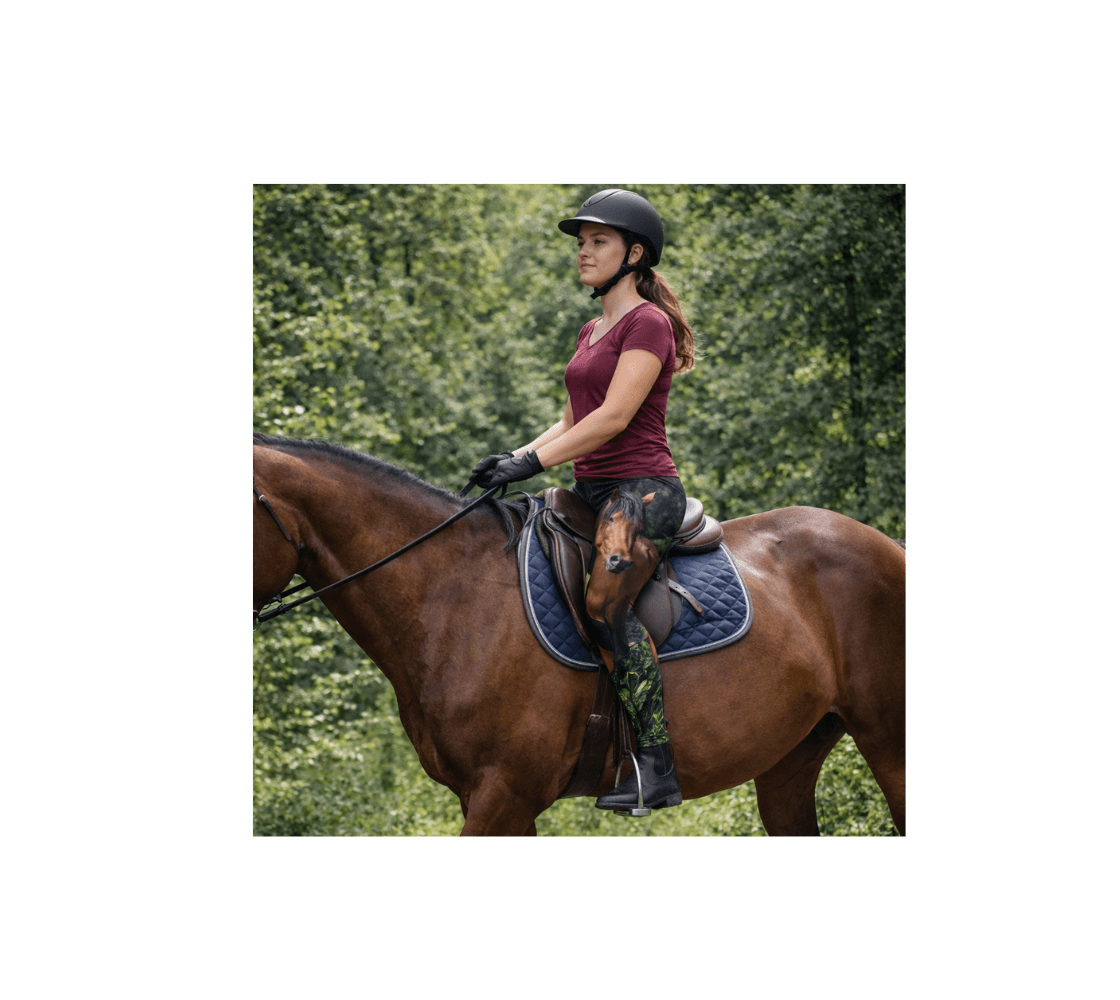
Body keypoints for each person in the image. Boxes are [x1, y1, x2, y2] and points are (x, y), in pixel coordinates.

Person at [471, 188, 697, 813]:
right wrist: (513, 458)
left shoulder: (646, 323)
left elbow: (615, 418)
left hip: (643, 491)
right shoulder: (591, 327)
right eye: (581, 242)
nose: (584, 252)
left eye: (598, 241)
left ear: (635, 253)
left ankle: (656, 768)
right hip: (589, 489)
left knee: (604, 602)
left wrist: (533, 462)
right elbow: (573, 417)